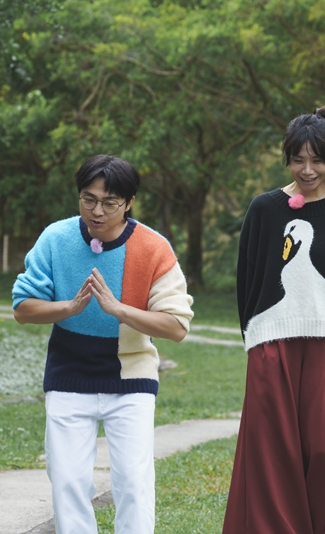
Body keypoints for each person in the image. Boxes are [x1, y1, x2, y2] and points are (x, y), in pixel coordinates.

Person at [11, 154, 194, 534]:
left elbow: (177, 326)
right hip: (68, 374)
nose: (97, 211)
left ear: (128, 203)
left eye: (109, 203)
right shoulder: (56, 238)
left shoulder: (153, 247)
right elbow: (23, 308)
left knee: (133, 481)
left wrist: (119, 309)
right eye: (88, 199)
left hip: (131, 376)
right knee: (68, 481)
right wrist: (68, 307)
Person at [222, 107, 325, 534]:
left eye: (317, 160)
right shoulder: (264, 209)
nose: (307, 170)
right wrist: (254, 336)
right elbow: (248, 279)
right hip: (272, 344)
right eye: (298, 159)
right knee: (271, 453)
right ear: (286, 158)